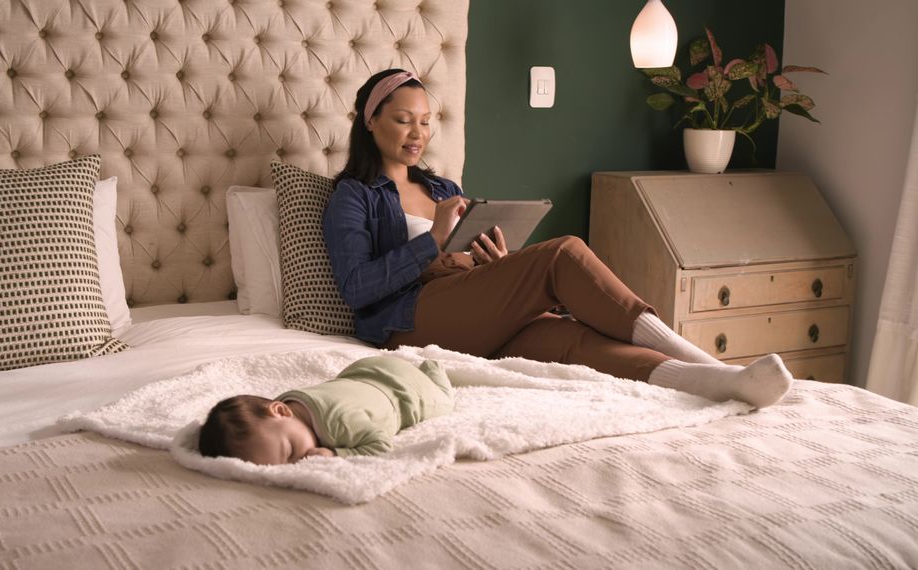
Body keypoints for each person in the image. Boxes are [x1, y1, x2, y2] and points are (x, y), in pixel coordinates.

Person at [321, 68, 792, 409]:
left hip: (472, 312)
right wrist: (434, 241)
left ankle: (718, 382)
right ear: (369, 120)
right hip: (407, 322)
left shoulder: (442, 188)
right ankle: (699, 355)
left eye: (425, 121)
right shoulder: (354, 195)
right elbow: (358, 288)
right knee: (562, 253)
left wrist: (496, 263)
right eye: (404, 120)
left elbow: (465, 259)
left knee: (577, 343)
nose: (418, 133)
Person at [195, 355, 454, 465]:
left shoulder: (340, 424)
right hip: (369, 368)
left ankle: (434, 368)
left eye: (292, 452)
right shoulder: (289, 405)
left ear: (281, 411)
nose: (301, 461)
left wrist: (335, 453)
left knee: (443, 403)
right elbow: (255, 418)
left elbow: (381, 445)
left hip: (404, 390)